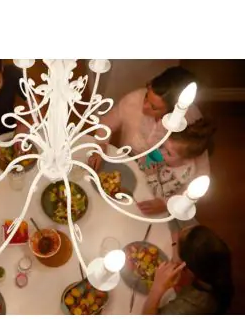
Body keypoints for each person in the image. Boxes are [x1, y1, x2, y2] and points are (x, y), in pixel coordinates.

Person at [88, 66, 211, 214]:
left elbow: (202, 175)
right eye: (147, 96)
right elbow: (106, 124)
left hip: (159, 185)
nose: (144, 106)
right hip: (125, 163)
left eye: (154, 107)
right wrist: (100, 146)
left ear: (172, 110)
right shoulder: (133, 100)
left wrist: (167, 203)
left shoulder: (190, 123)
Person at [142, 225, 234, 315]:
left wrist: (156, 289)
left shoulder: (195, 303)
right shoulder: (214, 258)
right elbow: (176, 225)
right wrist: (176, 248)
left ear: (187, 269)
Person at [137, 117, 216, 215]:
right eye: (163, 146)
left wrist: (151, 175)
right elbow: (141, 164)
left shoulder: (181, 176)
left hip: (150, 202)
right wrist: (144, 159)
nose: (161, 152)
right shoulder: (165, 152)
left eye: (169, 153)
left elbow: (160, 197)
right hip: (142, 183)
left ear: (186, 158)